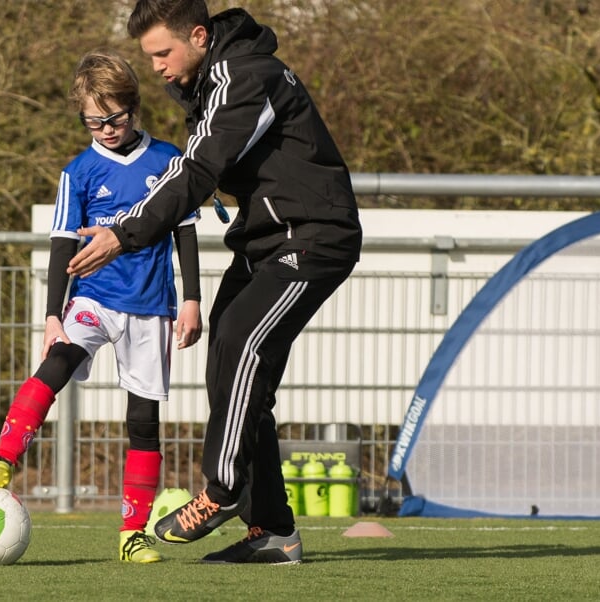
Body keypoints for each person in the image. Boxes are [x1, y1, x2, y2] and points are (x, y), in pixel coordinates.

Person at [67, 0, 362, 565]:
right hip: (266, 241)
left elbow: (197, 171)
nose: (154, 66)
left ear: (199, 36)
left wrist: (124, 233)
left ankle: (222, 491)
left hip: (313, 237)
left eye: (162, 52)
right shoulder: (211, 83)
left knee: (240, 344)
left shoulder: (243, 76)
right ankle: (273, 532)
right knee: (234, 374)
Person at [0, 48, 203, 564]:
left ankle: (131, 534)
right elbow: (61, 245)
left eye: (114, 118)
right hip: (93, 298)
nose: (104, 128)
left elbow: (185, 234)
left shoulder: (169, 161)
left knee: (143, 421)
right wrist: (53, 312)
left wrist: (191, 298)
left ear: (134, 109)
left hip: (151, 307)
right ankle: (4, 458)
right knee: (56, 362)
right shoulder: (76, 172)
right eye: (92, 120)